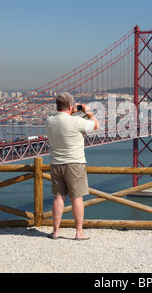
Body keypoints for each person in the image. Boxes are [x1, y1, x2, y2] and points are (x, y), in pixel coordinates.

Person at [45, 92, 99, 240]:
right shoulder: (76, 122)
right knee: (76, 198)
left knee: (58, 197)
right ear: (70, 106)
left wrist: (71, 112)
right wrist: (87, 111)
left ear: (57, 106)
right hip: (75, 163)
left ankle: (55, 231)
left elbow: (62, 120)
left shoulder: (49, 121)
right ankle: (79, 232)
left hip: (56, 164)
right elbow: (96, 125)